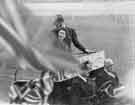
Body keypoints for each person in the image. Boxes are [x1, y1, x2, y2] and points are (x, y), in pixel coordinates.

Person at [51, 14, 95, 80]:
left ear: (60, 22)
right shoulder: (53, 32)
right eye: (55, 24)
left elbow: (76, 43)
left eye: (55, 23)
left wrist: (85, 50)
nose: (55, 25)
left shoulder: (71, 31)